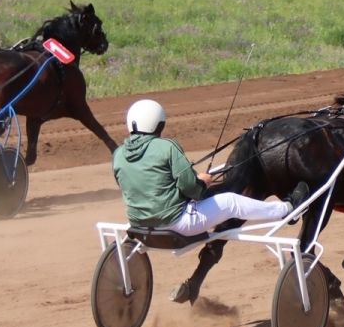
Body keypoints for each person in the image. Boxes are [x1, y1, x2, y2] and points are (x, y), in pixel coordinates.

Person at [113, 99, 292, 237]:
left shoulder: (118, 154)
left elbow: (132, 185)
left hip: (138, 223)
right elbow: (192, 190)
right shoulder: (166, 147)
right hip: (177, 224)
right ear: (160, 125)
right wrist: (202, 183)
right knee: (230, 201)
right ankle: (285, 209)